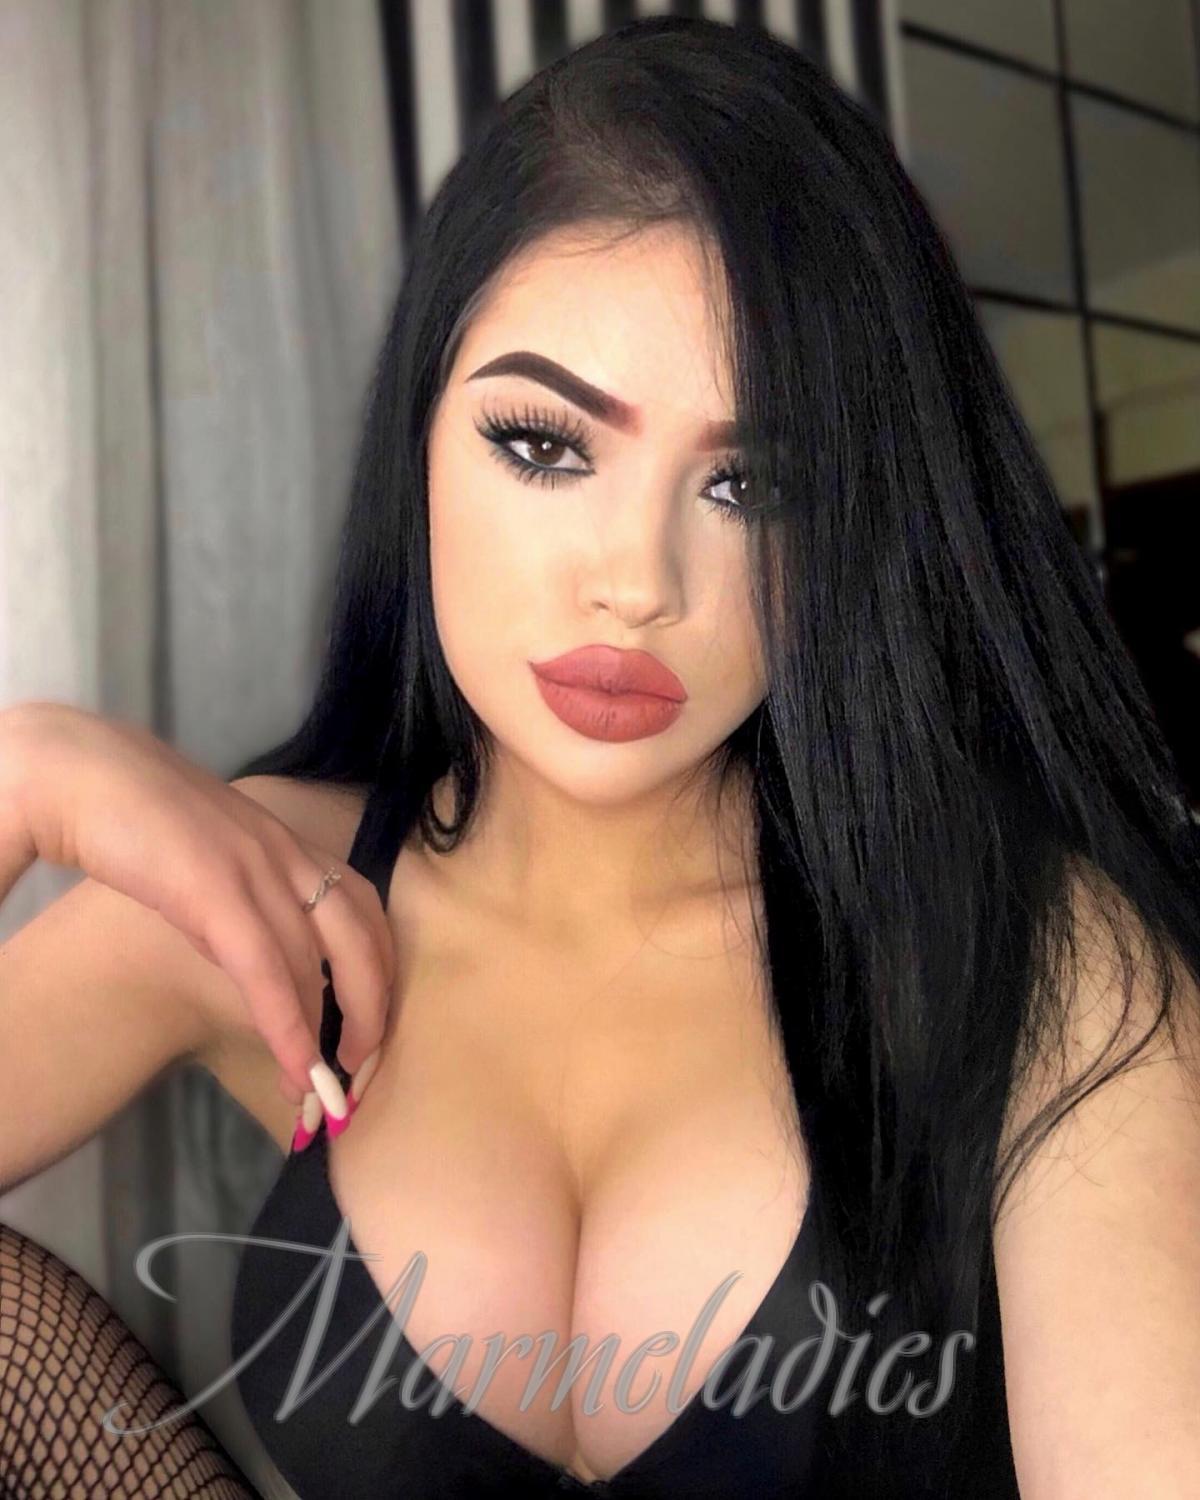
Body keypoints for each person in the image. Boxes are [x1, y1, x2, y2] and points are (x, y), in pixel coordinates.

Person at [3, 13, 1200, 1498]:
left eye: (752, 482)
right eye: (545, 445)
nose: (638, 581)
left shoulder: (1037, 965)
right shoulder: (263, 902)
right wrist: (29, 779)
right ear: (420, 436)